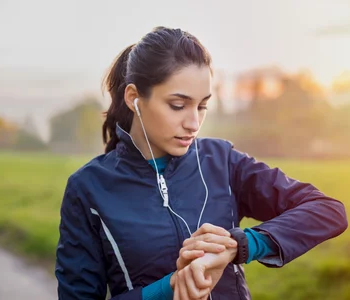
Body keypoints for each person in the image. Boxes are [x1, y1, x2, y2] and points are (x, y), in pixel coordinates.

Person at [55, 26, 348, 300]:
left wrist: (239, 245)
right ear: (134, 98)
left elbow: (328, 211)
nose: (194, 122)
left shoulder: (222, 161)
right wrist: (169, 288)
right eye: (178, 105)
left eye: (203, 105)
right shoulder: (88, 189)